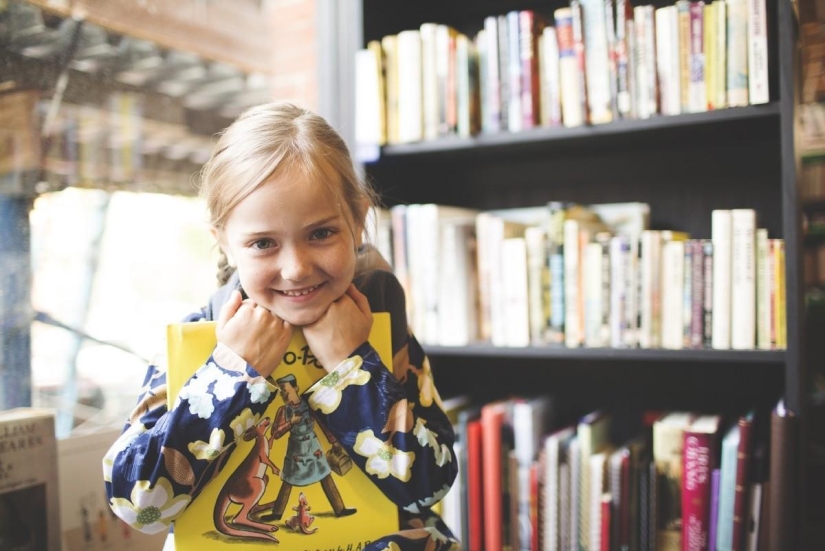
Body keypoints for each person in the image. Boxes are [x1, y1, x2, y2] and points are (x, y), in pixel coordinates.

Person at [103, 102, 460, 550]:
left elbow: (430, 486)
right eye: (263, 243)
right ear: (224, 243)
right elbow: (138, 504)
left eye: (321, 233)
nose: (296, 269)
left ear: (357, 222)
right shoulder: (202, 336)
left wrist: (353, 369)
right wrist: (231, 374)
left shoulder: (381, 326)